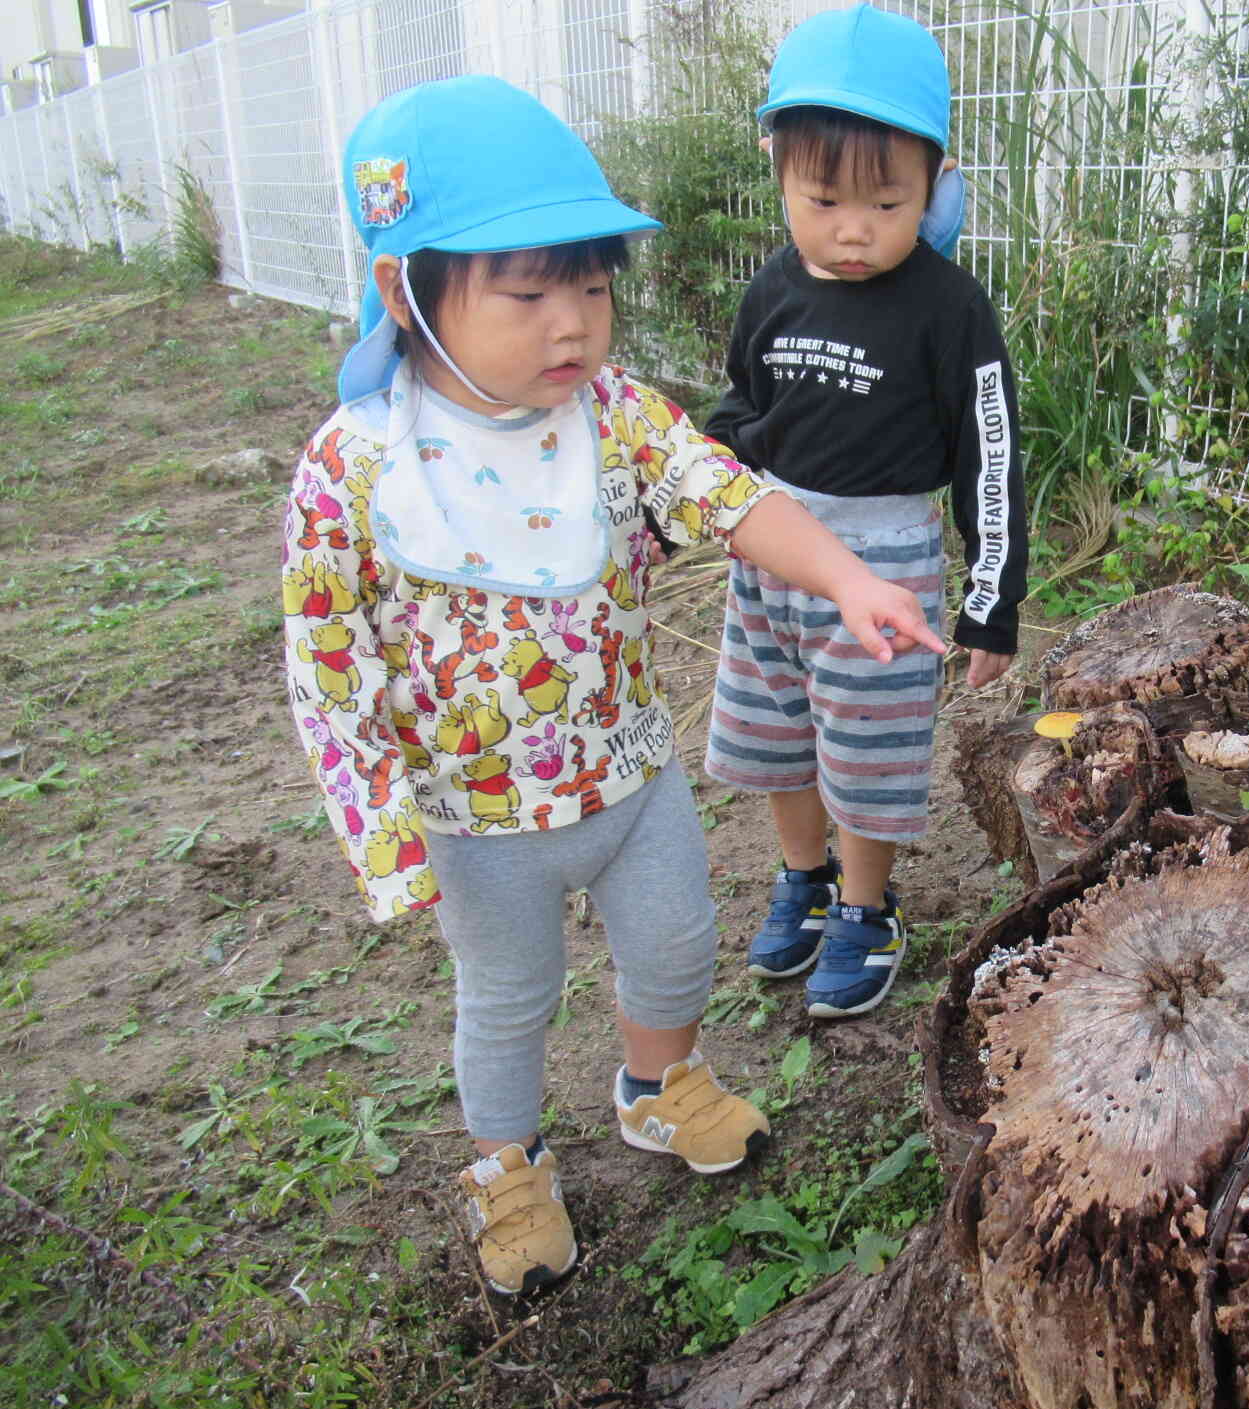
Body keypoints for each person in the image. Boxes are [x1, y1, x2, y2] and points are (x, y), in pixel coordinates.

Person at [281, 75, 945, 1296]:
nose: (572, 326)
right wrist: (382, 831)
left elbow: (724, 492)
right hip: (476, 821)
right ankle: (507, 1166)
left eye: (590, 288)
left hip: (631, 775)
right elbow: (329, 662)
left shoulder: (612, 414)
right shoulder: (360, 468)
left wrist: (847, 575)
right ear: (405, 290)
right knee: (508, 998)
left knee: (678, 944)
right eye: (527, 294)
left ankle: (657, 1083)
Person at [705, 4, 1027, 1020]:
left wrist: (990, 602)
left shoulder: (947, 305)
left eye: (887, 203)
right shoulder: (771, 291)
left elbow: (988, 453)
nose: (853, 229)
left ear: (936, 180)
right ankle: (803, 881)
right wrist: (719, 468)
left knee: (866, 752)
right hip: (770, 553)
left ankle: (865, 906)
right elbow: (741, 406)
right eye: (824, 199)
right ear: (779, 171)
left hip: (884, 563)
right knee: (775, 736)